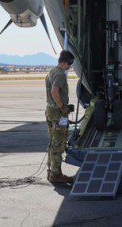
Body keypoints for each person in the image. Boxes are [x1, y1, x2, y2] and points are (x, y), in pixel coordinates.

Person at [45, 50, 75, 184]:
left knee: (52, 141)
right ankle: (56, 174)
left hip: (50, 111)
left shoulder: (51, 71)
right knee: (58, 142)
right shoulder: (60, 74)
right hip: (58, 112)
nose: (70, 66)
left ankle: (51, 170)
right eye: (70, 64)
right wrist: (63, 107)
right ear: (66, 62)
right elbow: (54, 91)